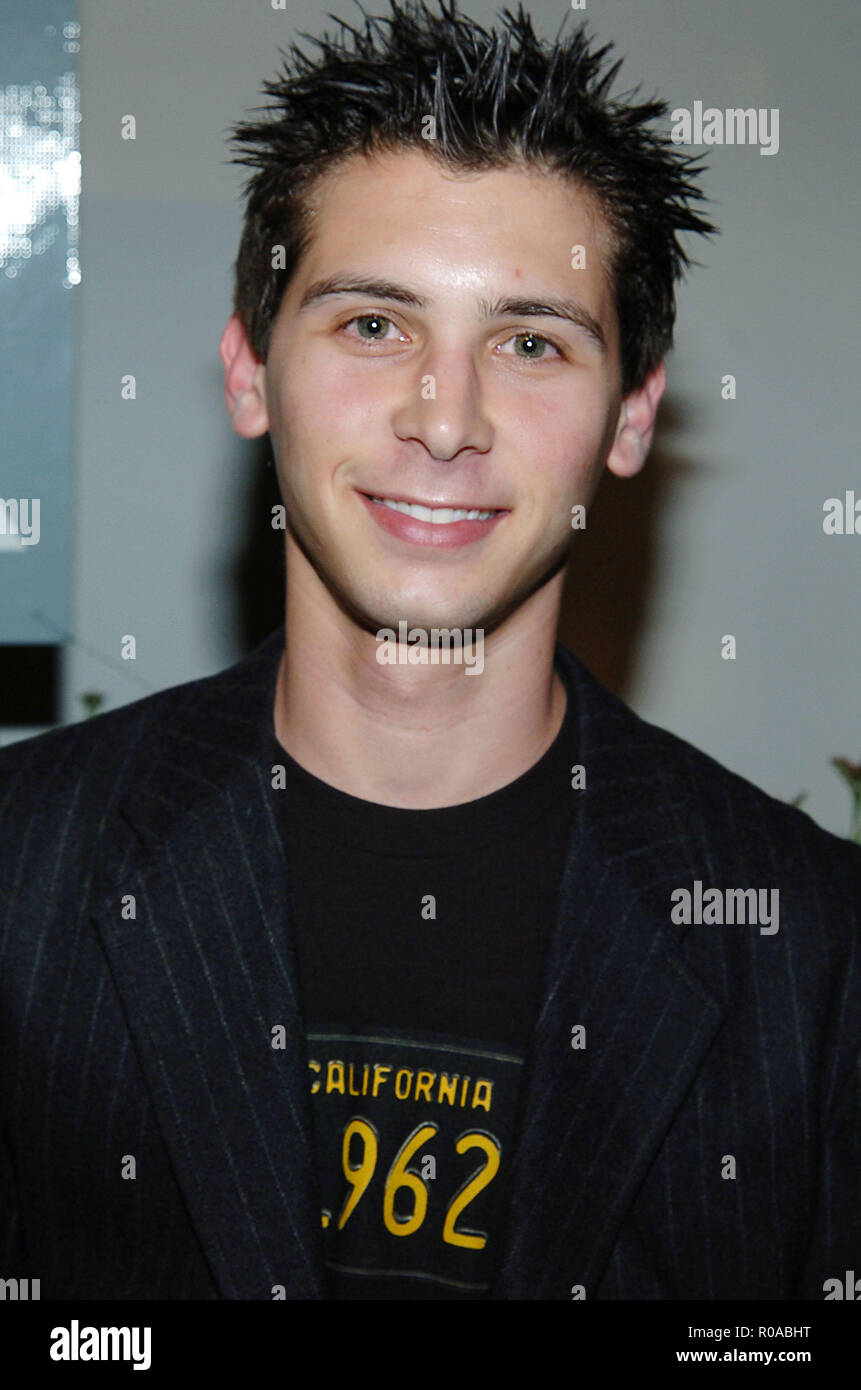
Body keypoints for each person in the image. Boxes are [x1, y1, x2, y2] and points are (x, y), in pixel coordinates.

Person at [1, 0, 859, 1302]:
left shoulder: (814, 951)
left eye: (527, 342)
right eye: (370, 324)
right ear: (247, 371)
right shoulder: (20, 872)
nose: (444, 418)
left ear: (630, 417)